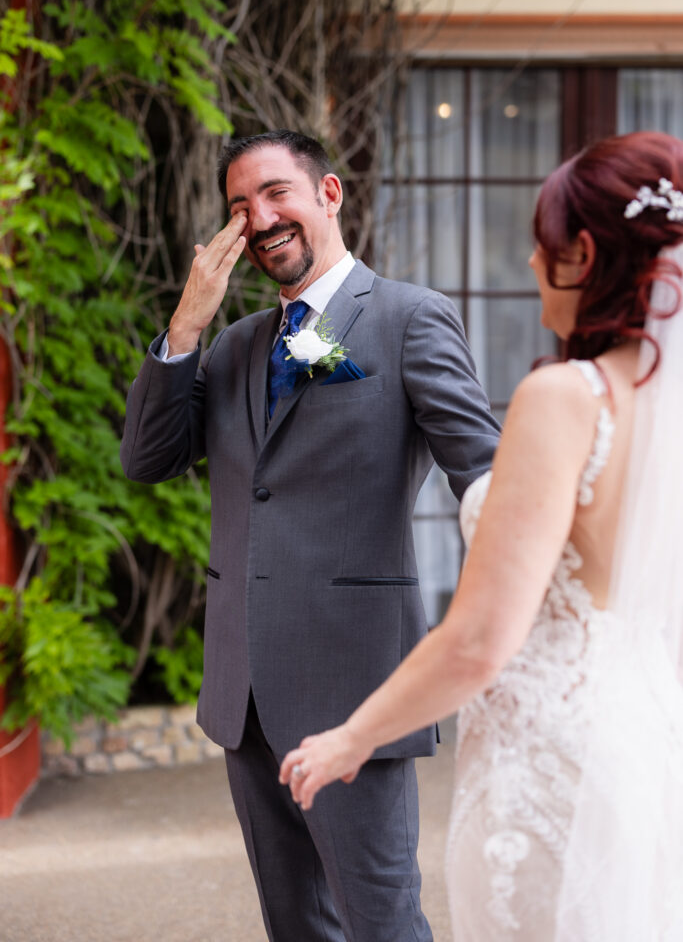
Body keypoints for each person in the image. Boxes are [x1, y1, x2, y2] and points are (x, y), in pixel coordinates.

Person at [280, 131, 683, 940]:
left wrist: (350, 739)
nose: (532, 266)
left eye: (543, 247)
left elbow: (479, 638)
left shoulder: (565, 397)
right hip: (643, 740)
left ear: (584, 254)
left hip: (551, 764)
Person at [120, 129, 500, 942]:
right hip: (244, 692)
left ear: (328, 193)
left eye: (275, 193)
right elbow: (148, 459)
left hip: (354, 685)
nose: (258, 218)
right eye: (238, 206)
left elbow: (487, 479)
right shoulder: (231, 345)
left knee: (381, 921)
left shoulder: (407, 320)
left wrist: (505, 620)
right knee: (294, 926)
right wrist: (188, 319)